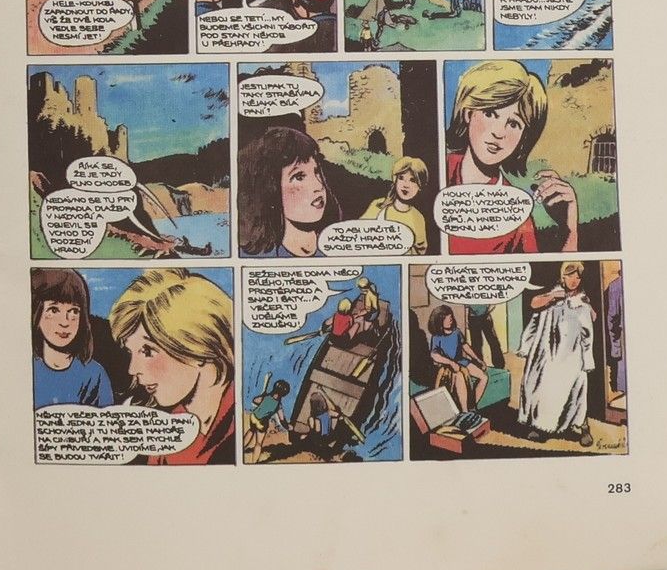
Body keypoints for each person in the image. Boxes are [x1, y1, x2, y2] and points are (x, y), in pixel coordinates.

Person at [444, 59, 578, 256]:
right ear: (468, 112)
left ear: (524, 138)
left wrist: (570, 231)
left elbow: (538, 274)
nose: (499, 133)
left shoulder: (517, 214)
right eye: (490, 113)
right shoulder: (434, 171)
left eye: (514, 124)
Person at [109, 268, 236, 466]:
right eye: (130, 352)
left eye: (148, 350)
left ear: (199, 347)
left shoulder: (246, 423)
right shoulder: (168, 435)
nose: (132, 369)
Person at [519, 262, 598, 444]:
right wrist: (526, 346)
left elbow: (588, 332)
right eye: (570, 275)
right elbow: (534, 309)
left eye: (578, 277)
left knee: (576, 388)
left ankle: (581, 427)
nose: (574, 280)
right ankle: (540, 427)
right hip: (548, 353)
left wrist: (587, 359)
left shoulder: (582, 302)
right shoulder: (552, 295)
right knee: (544, 386)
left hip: (572, 353)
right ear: (562, 276)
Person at [237, 124, 339, 258]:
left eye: (316, 172)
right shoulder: (251, 256)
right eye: (299, 177)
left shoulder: (338, 246)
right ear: (270, 189)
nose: (318, 185)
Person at [30, 267, 113, 408]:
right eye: (54, 310)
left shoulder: (95, 375)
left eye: (74, 311)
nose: (65, 322)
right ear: (36, 312)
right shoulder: (26, 369)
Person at [427, 305, 490, 415]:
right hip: (446, 366)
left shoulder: (457, 332)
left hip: (461, 361)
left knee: (484, 377)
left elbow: (465, 346)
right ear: (439, 321)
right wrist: (450, 362)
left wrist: (478, 360)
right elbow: (434, 355)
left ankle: (472, 406)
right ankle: (465, 411)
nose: (450, 321)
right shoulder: (436, 337)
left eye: (451, 318)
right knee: (459, 375)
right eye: (447, 319)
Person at [361, 155, 430, 249]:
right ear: (395, 180)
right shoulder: (378, 205)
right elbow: (360, 234)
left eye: (412, 180)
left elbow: (421, 250)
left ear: (420, 186)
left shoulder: (418, 217)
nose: (406, 185)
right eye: (401, 178)